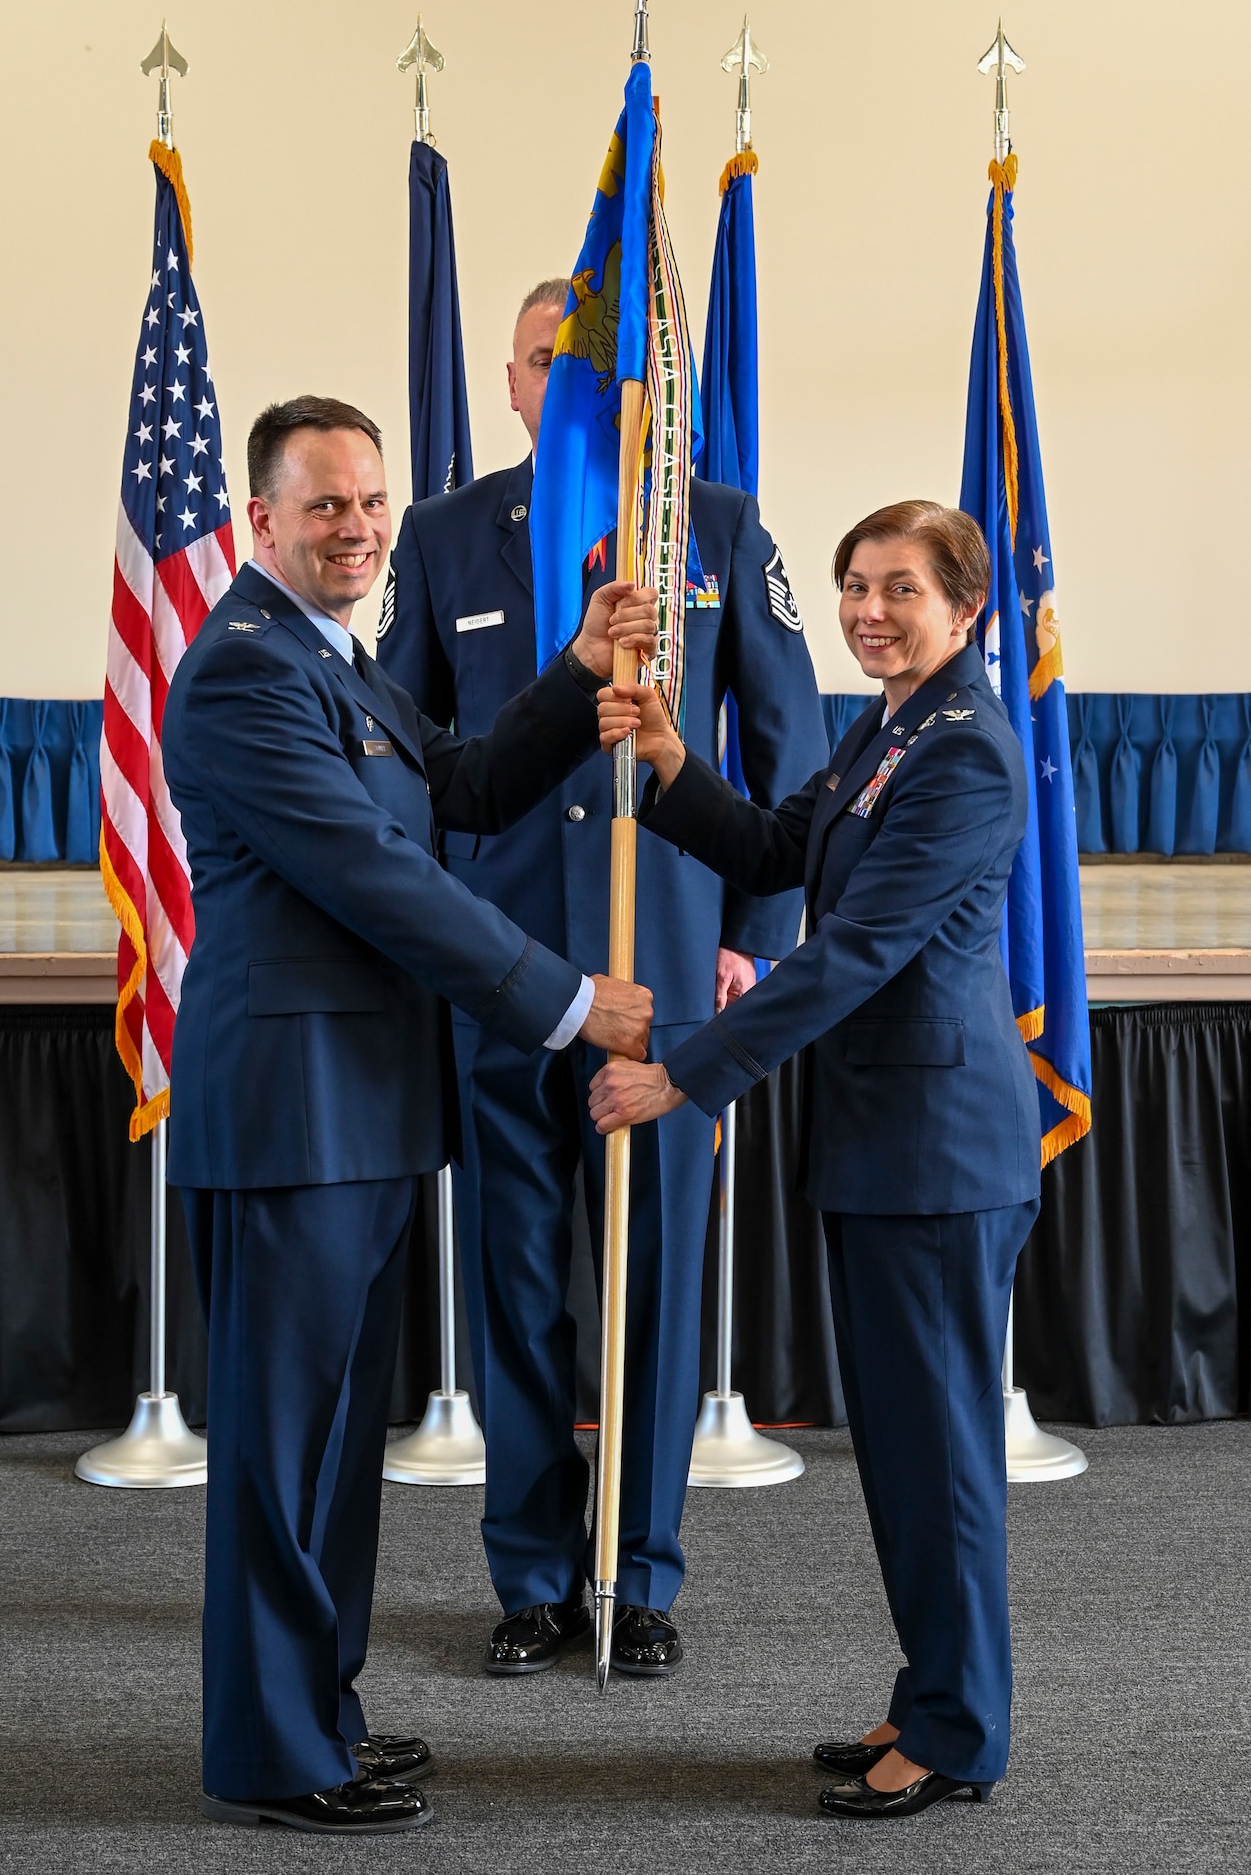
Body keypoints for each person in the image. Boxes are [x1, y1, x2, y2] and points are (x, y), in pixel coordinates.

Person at [163, 395, 657, 1836]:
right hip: (293, 1117)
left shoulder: (350, 668)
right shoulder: (246, 674)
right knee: (281, 1444)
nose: (359, 528)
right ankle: (267, 1748)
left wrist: (571, 673)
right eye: (324, 505)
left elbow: (461, 787)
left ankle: (320, 1711)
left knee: (333, 1449)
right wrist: (566, 1003)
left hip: (369, 1111)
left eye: (371, 503)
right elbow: (379, 880)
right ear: (260, 520)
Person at [377, 282, 826, 1678]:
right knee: (518, 1281)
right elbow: (398, 745)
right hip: (502, 966)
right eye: (544, 366)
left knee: (651, 1285)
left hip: (672, 968)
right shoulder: (444, 538)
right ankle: (529, 1576)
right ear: (512, 385)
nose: (574, 389)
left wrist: (753, 927)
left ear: (649, 386)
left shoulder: (717, 524)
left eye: (607, 369)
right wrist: (430, 918)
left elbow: (793, 742)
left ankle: (637, 1574)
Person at [591, 500, 1041, 1820]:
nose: (864, 611)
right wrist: (674, 764)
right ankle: (933, 1693)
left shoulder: (965, 752)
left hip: (938, 1156)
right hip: (885, 1149)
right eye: (852, 586)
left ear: (967, 608)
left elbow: (850, 954)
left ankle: (958, 1730)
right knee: (903, 1447)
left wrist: (685, 1065)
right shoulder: (890, 724)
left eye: (898, 589)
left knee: (939, 1451)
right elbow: (783, 853)